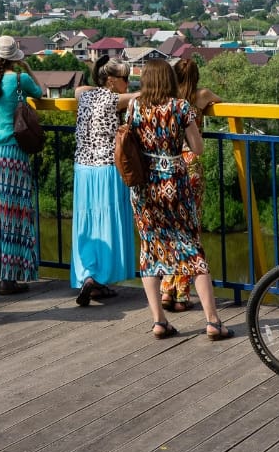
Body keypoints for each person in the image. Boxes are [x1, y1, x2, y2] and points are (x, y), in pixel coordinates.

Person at [124, 59, 227, 340]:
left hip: (144, 188)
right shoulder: (180, 107)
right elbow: (198, 148)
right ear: (168, 79)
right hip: (176, 185)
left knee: (150, 250)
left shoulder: (134, 106)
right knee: (192, 249)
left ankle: (159, 321)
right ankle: (213, 321)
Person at [0, 35, 44, 294]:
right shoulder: (20, 79)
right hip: (14, 155)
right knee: (13, 215)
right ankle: (10, 278)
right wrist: (27, 68)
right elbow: (41, 92)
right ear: (15, 58)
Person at [69, 58, 137, 306]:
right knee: (107, 220)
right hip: (107, 169)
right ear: (111, 80)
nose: (128, 83)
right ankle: (100, 276)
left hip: (83, 169)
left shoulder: (84, 96)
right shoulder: (115, 100)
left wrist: (98, 84)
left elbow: (79, 89)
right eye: (124, 79)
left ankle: (89, 275)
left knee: (87, 223)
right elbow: (141, 95)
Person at [161, 56, 220, 312]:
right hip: (191, 166)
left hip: (169, 166)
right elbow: (221, 100)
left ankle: (166, 289)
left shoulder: (167, 99)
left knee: (171, 229)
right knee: (190, 232)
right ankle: (182, 294)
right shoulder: (201, 96)